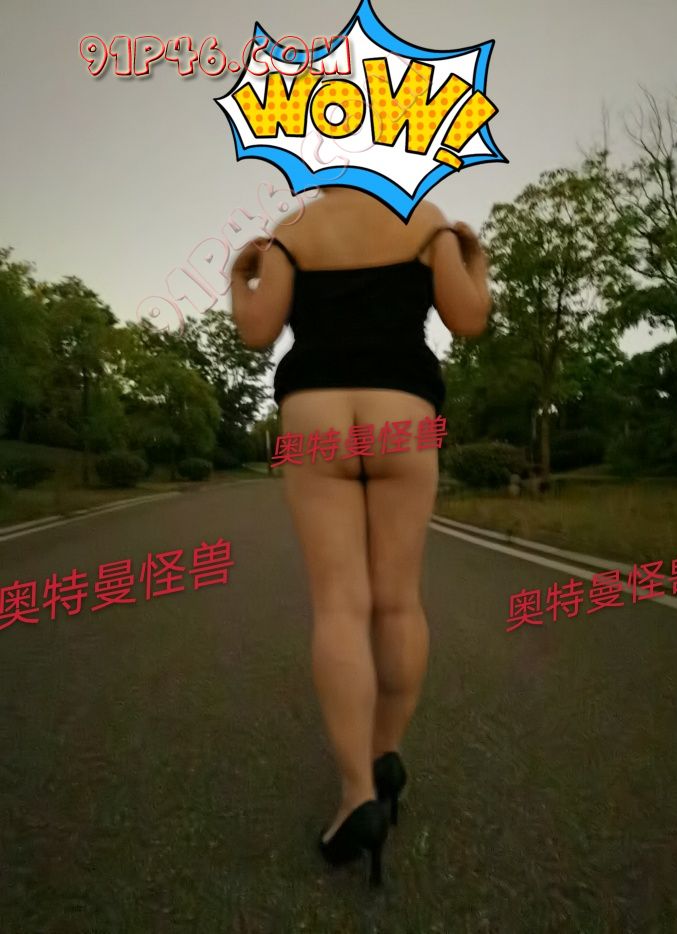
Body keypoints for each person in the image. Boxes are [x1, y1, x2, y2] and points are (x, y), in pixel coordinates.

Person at [231, 185, 491, 887]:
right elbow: (470, 318)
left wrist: (241, 276)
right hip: (402, 410)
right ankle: (386, 754)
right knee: (398, 602)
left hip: (314, 412)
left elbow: (255, 331)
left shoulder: (293, 227)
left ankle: (356, 796)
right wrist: (471, 259)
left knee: (339, 607)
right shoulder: (426, 221)